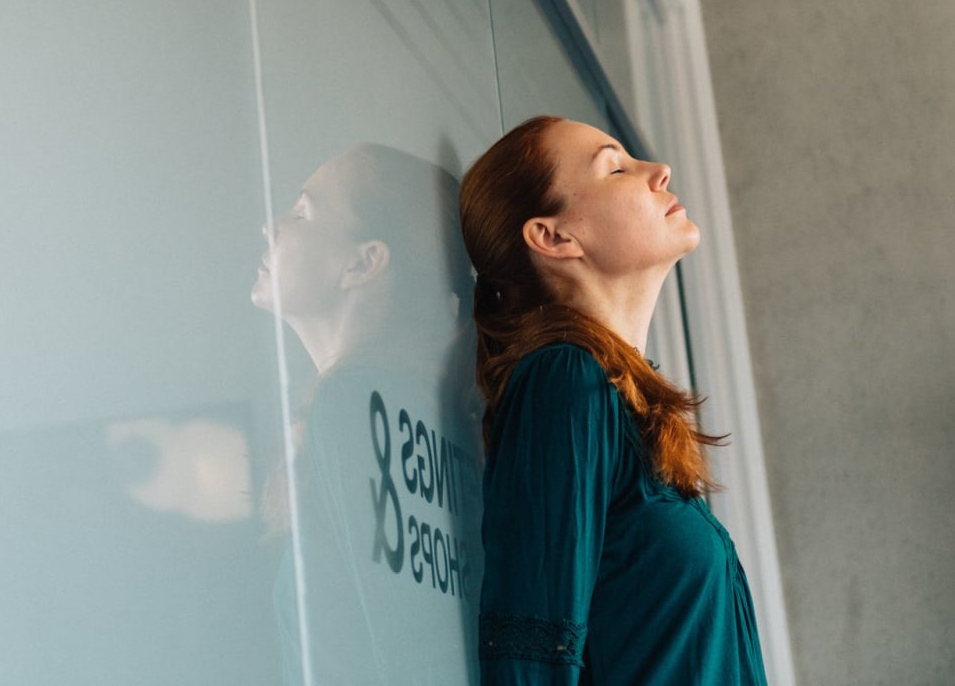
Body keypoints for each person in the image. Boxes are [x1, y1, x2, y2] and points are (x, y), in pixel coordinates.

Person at [458, 115, 766, 685]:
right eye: (616, 167)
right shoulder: (563, 379)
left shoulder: (613, 395)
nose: (660, 171)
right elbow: (530, 654)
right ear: (553, 237)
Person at [251, 143, 479, 685]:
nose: (271, 226)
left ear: (363, 262)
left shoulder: (357, 406)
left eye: (303, 213)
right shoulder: (414, 407)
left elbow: (416, 655)